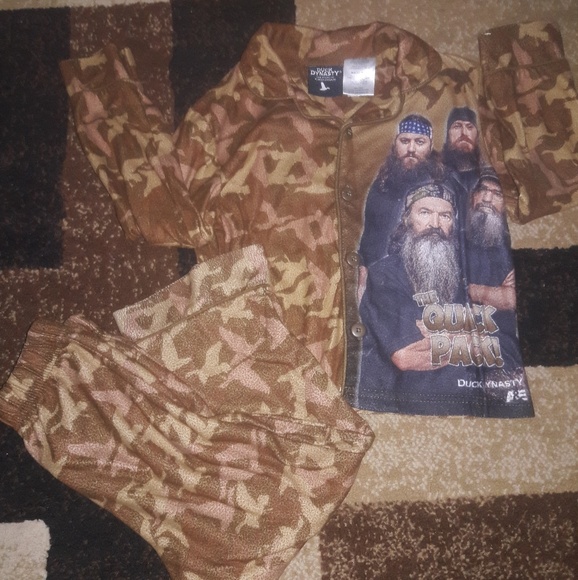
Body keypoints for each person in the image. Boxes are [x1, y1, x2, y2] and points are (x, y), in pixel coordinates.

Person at [357, 181, 483, 415]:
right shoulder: (384, 275)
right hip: (400, 403)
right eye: (425, 212)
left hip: (460, 401)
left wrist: (442, 337)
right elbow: (405, 357)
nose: (435, 224)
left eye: (445, 216)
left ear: (453, 224)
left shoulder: (456, 275)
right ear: (408, 220)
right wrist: (465, 339)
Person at [358, 114, 444, 269]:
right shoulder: (381, 184)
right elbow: (369, 236)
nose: (411, 149)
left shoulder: (443, 185)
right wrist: (363, 269)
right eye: (405, 141)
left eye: (419, 142)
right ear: (395, 144)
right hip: (378, 274)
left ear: (430, 146)